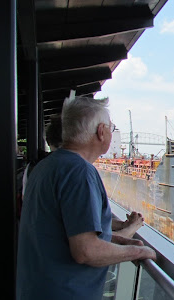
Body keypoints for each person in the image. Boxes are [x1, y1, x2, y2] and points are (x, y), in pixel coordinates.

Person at [16, 96, 156, 300]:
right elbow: (86, 251)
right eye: (111, 127)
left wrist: (119, 239)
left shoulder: (46, 166)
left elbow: (65, 233)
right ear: (101, 131)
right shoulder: (79, 172)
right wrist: (139, 253)